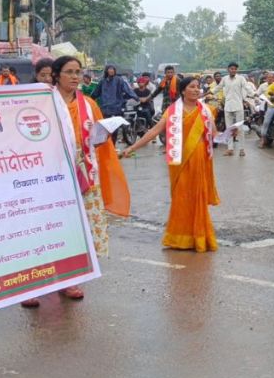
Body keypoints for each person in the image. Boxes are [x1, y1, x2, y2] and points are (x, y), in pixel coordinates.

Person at [21, 56, 131, 307]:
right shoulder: (41, 102)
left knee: (75, 230)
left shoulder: (90, 104)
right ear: (56, 75)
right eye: (69, 72)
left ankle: (69, 280)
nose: (74, 76)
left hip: (83, 175)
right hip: (48, 177)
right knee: (42, 229)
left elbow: (99, 138)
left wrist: (100, 139)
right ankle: (32, 286)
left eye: (78, 72)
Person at [124, 76, 221, 251]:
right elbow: (154, 131)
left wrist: (230, 132)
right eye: (192, 87)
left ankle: (199, 237)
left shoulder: (206, 111)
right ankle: (180, 238)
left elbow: (215, 135)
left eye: (198, 87)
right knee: (181, 197)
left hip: (198, 157)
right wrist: (133, 147)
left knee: (197, 197)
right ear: (183, 90)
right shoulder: (173, 111)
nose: (196, 90)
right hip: (179, 160)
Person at [92, 65, 139, 143]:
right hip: (105, 108)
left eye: (112, 69)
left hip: (116, 107)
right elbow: (96, 92)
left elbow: (127, 89)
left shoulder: (119, 80)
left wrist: (135, 97)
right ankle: (107, 144)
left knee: (114, 128)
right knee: (105, 127)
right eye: (109, 69)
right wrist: (89, 100)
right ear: (106, 71)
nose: (111, 71)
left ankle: (113, 145)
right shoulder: (102, 81)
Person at [219, 62, 253, 157]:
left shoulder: (241, 79)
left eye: (235, 69)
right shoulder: (224, 79)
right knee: (229, 128)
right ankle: (230, 149)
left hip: (238, 106)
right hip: (228, 106)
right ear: (228, 69)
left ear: (236, 70)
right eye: (231, 68)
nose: (233, 70)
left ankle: (242, 149)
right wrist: (208, 92)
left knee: (240, 128)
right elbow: (218, 87)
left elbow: (247, 88)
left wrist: (254, 94)